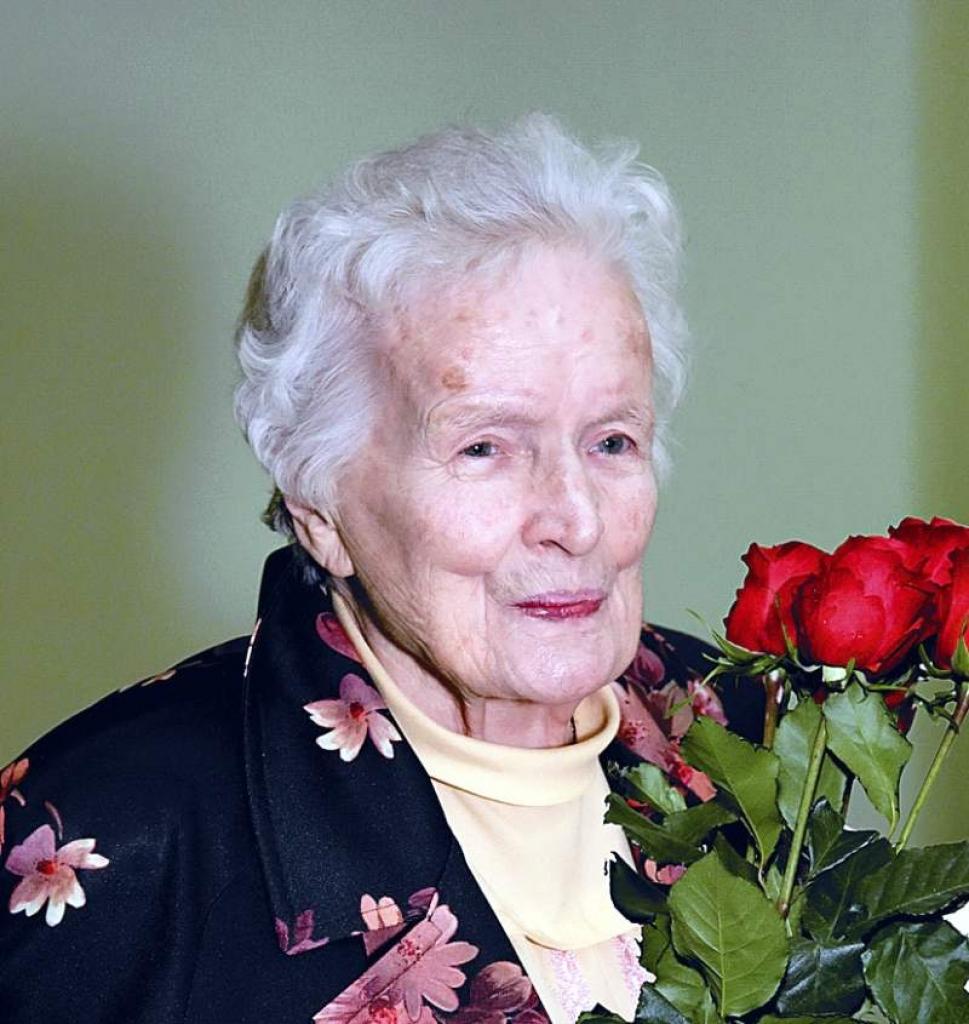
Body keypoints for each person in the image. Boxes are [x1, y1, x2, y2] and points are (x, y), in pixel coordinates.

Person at [0, 115, 744, 1023]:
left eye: (612, 441)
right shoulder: (111, 838)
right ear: (320, 507)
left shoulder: (748, 731)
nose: (576, 520)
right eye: (483, 448)